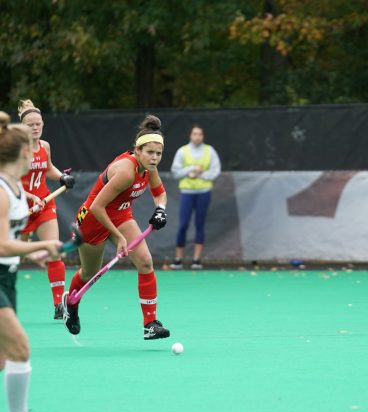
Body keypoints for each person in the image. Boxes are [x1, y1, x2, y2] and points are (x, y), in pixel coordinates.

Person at [62, 115, 170, 340]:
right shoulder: (125, 172)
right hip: (92, 220)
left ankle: (150, 323)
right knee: (89, 272)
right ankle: (70, 303)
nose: (154, 158)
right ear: (138, 150)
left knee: (146, 261)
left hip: (120, 215)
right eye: (150, 152)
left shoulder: (149, 169)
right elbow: (97, 206)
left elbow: (159, 193)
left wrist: (161, 209)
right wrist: (120, 236)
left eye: (158, 153)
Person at [0, 111, 62, 412]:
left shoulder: (16, 189)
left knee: (3, 357)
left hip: (6, 278)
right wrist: (39, 247)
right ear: (23, 153)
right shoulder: (1, 191)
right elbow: (2, 245)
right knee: (20, 349)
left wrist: (38, 253)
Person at [18, 99, 75, 320]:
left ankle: (59, 303)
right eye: (30, 124)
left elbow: (48, 168)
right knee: (14, 257)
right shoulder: (14, 149)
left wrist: (62, 176)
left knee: (54, 251)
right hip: (19, 208)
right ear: (22, 127)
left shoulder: (45, 146)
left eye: (38, 123)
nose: (35, 127)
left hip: (44, 204)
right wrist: (30, 197)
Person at [170, 125, 221, 270]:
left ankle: (196, 260)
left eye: (200, 134)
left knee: (200, 225)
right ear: (190, 135)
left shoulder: (209, 151)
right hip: (187, 192)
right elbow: (175, 172)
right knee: (183, 225)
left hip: (204, 192)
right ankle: (178, 258)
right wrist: (190, 170)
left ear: (203, 136)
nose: (197, 136)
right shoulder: (182, 151)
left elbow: (215, 170)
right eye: (194, 134)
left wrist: (201, 174)